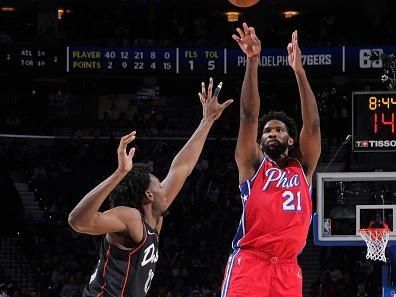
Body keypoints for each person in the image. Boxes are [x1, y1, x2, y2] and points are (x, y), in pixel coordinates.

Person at [68, 78, 233, 297]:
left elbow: (182, 167)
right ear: (148, 195)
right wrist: (119, 174)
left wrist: (207, 120)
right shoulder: (130, 218)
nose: (166, 188)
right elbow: (77, 222)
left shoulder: (155, 217)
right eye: (160, 186)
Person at [221, 23, 321, 297]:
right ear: (260, 142)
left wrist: (299, 72)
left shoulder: (304, 168)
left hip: (288, 269)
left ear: (291, 140)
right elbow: (248, 117)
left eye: (279, 130)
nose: (273, 133)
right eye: (267, 131)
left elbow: (312, 126)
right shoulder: (252, 165)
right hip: (250, 262)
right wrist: (253, 62)